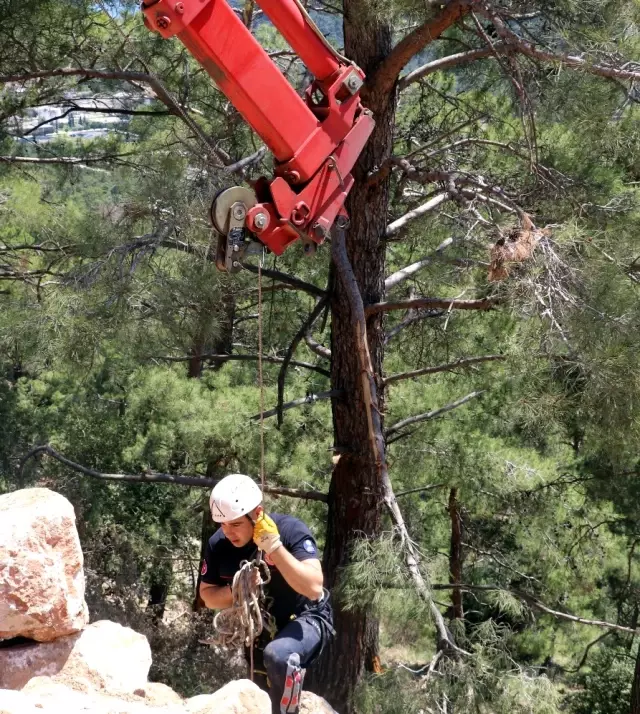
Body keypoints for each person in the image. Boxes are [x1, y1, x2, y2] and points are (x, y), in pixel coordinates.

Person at [199, 474, 334, 714]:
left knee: (279, 655)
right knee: (261, 690)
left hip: (307, 617)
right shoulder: (218, 544)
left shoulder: (290, 531)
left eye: (236, 524)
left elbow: (314, 588)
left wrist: (274, 548)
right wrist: (238, 589)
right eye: (223, 524)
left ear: (257, 513)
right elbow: (207, 596)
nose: (228, 532)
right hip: (261, 626)